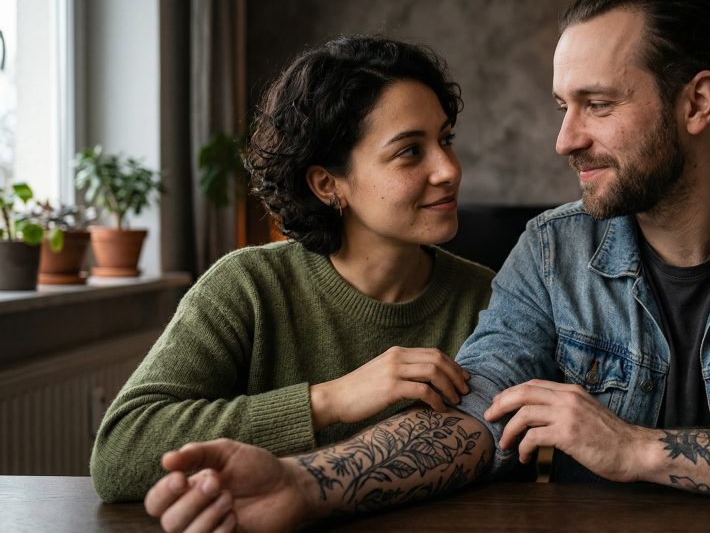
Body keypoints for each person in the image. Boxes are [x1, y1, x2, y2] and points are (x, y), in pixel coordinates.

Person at [143, 0, 710, 531]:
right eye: (564, 105)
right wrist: (303, 484)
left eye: (596, 104)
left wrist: (636, 449)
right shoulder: (550, 251)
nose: (565, 139)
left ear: (699, 101)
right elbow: (473, 425)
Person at [89, 37, 495, 503]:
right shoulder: (248, 287)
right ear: (327, 184)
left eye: (445, 140)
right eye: (409, 151)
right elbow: (119, 453)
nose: (448, 169)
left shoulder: (486, 297)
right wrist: (330, 400)